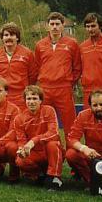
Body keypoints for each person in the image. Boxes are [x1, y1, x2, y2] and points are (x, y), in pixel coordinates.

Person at [34, 12, 81, 142]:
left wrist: (69, 82)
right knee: (44, 122)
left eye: (57, 24)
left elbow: (77, 67)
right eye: (52, 24)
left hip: (64, 88)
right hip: (45, 88)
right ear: (47, 26)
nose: (54, 27)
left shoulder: (72, 44)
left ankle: (72, 153)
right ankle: (49, 151)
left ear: (63, 25)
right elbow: (37, 67)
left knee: (69, 123)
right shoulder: (40, 45)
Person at [14, 85, 64, 190]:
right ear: (25, 100)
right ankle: (40, 174)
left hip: (49, 151)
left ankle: (54, 177)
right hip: (34, 153)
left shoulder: (49, 110)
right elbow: (21, 139)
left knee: (53, 144)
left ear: (40, 100)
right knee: (19, 161)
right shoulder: (19, 118)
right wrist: (22, 149)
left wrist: (34, 140)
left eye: (35, 98)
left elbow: (54, 132)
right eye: (28, 99)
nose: (31, 102)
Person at [0, 22, 36, 110]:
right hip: (3, 96)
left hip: (21, 97)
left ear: (17, 37)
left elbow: (33, 75)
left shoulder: (27, 53)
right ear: (2, 38)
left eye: (12, 34)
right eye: (6, 35)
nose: (9, 37)